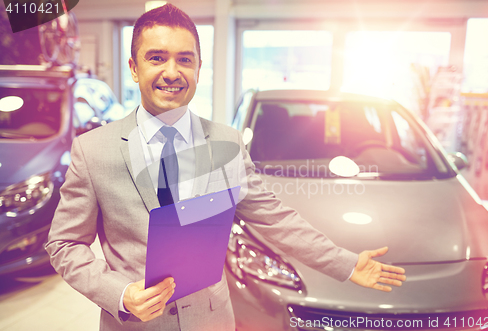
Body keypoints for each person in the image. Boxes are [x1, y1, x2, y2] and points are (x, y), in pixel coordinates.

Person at [45, 4, 406, 331]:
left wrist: (345, 263)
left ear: (199, 68)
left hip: (212, 321)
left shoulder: (228, 144)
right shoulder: (92, 150)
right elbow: (64, 244)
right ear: (134, 68)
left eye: (185, 59)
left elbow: (275, 218)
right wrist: (120, 293)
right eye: (156, 58)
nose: (172, 72)